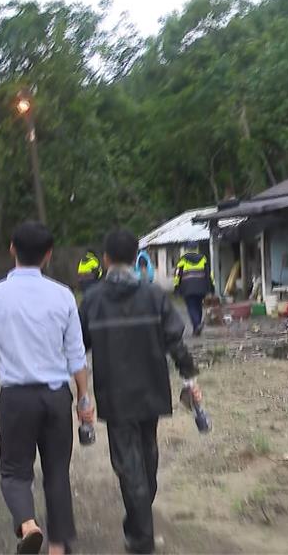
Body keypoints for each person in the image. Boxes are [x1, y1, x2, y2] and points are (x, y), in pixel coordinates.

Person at [79, 229, 201, 554]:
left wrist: (79, 392)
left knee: (129, 466)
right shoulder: (155, 296)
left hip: (115, 394)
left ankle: (141, 536)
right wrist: (190, 377)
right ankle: (139, 527)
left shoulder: (92, 300)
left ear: (105, 260)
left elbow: (76, 348)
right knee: (147, 459)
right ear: (136, 257)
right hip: (151, 389)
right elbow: (176, 340)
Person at [0, 221, 94, 555]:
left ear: (11, 248)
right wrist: (83, 399)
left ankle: (28, 524)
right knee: (57, 472)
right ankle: (57, 547)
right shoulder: (63, 295)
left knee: (15, 471)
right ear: (48, 255)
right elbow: (76, 356)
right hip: (56, 397)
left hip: (15, 398)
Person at [173, 242, 212, 336]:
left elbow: (178, 275)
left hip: (187, 288)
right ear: (196, 248)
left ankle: (197, 324)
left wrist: (176, 287)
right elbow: (209, 274)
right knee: (198, 306)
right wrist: (211, 287)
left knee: (191, 307)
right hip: (201, 287)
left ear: (187, 249)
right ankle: (196, 328)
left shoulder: (183, 260)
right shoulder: (203, 259)